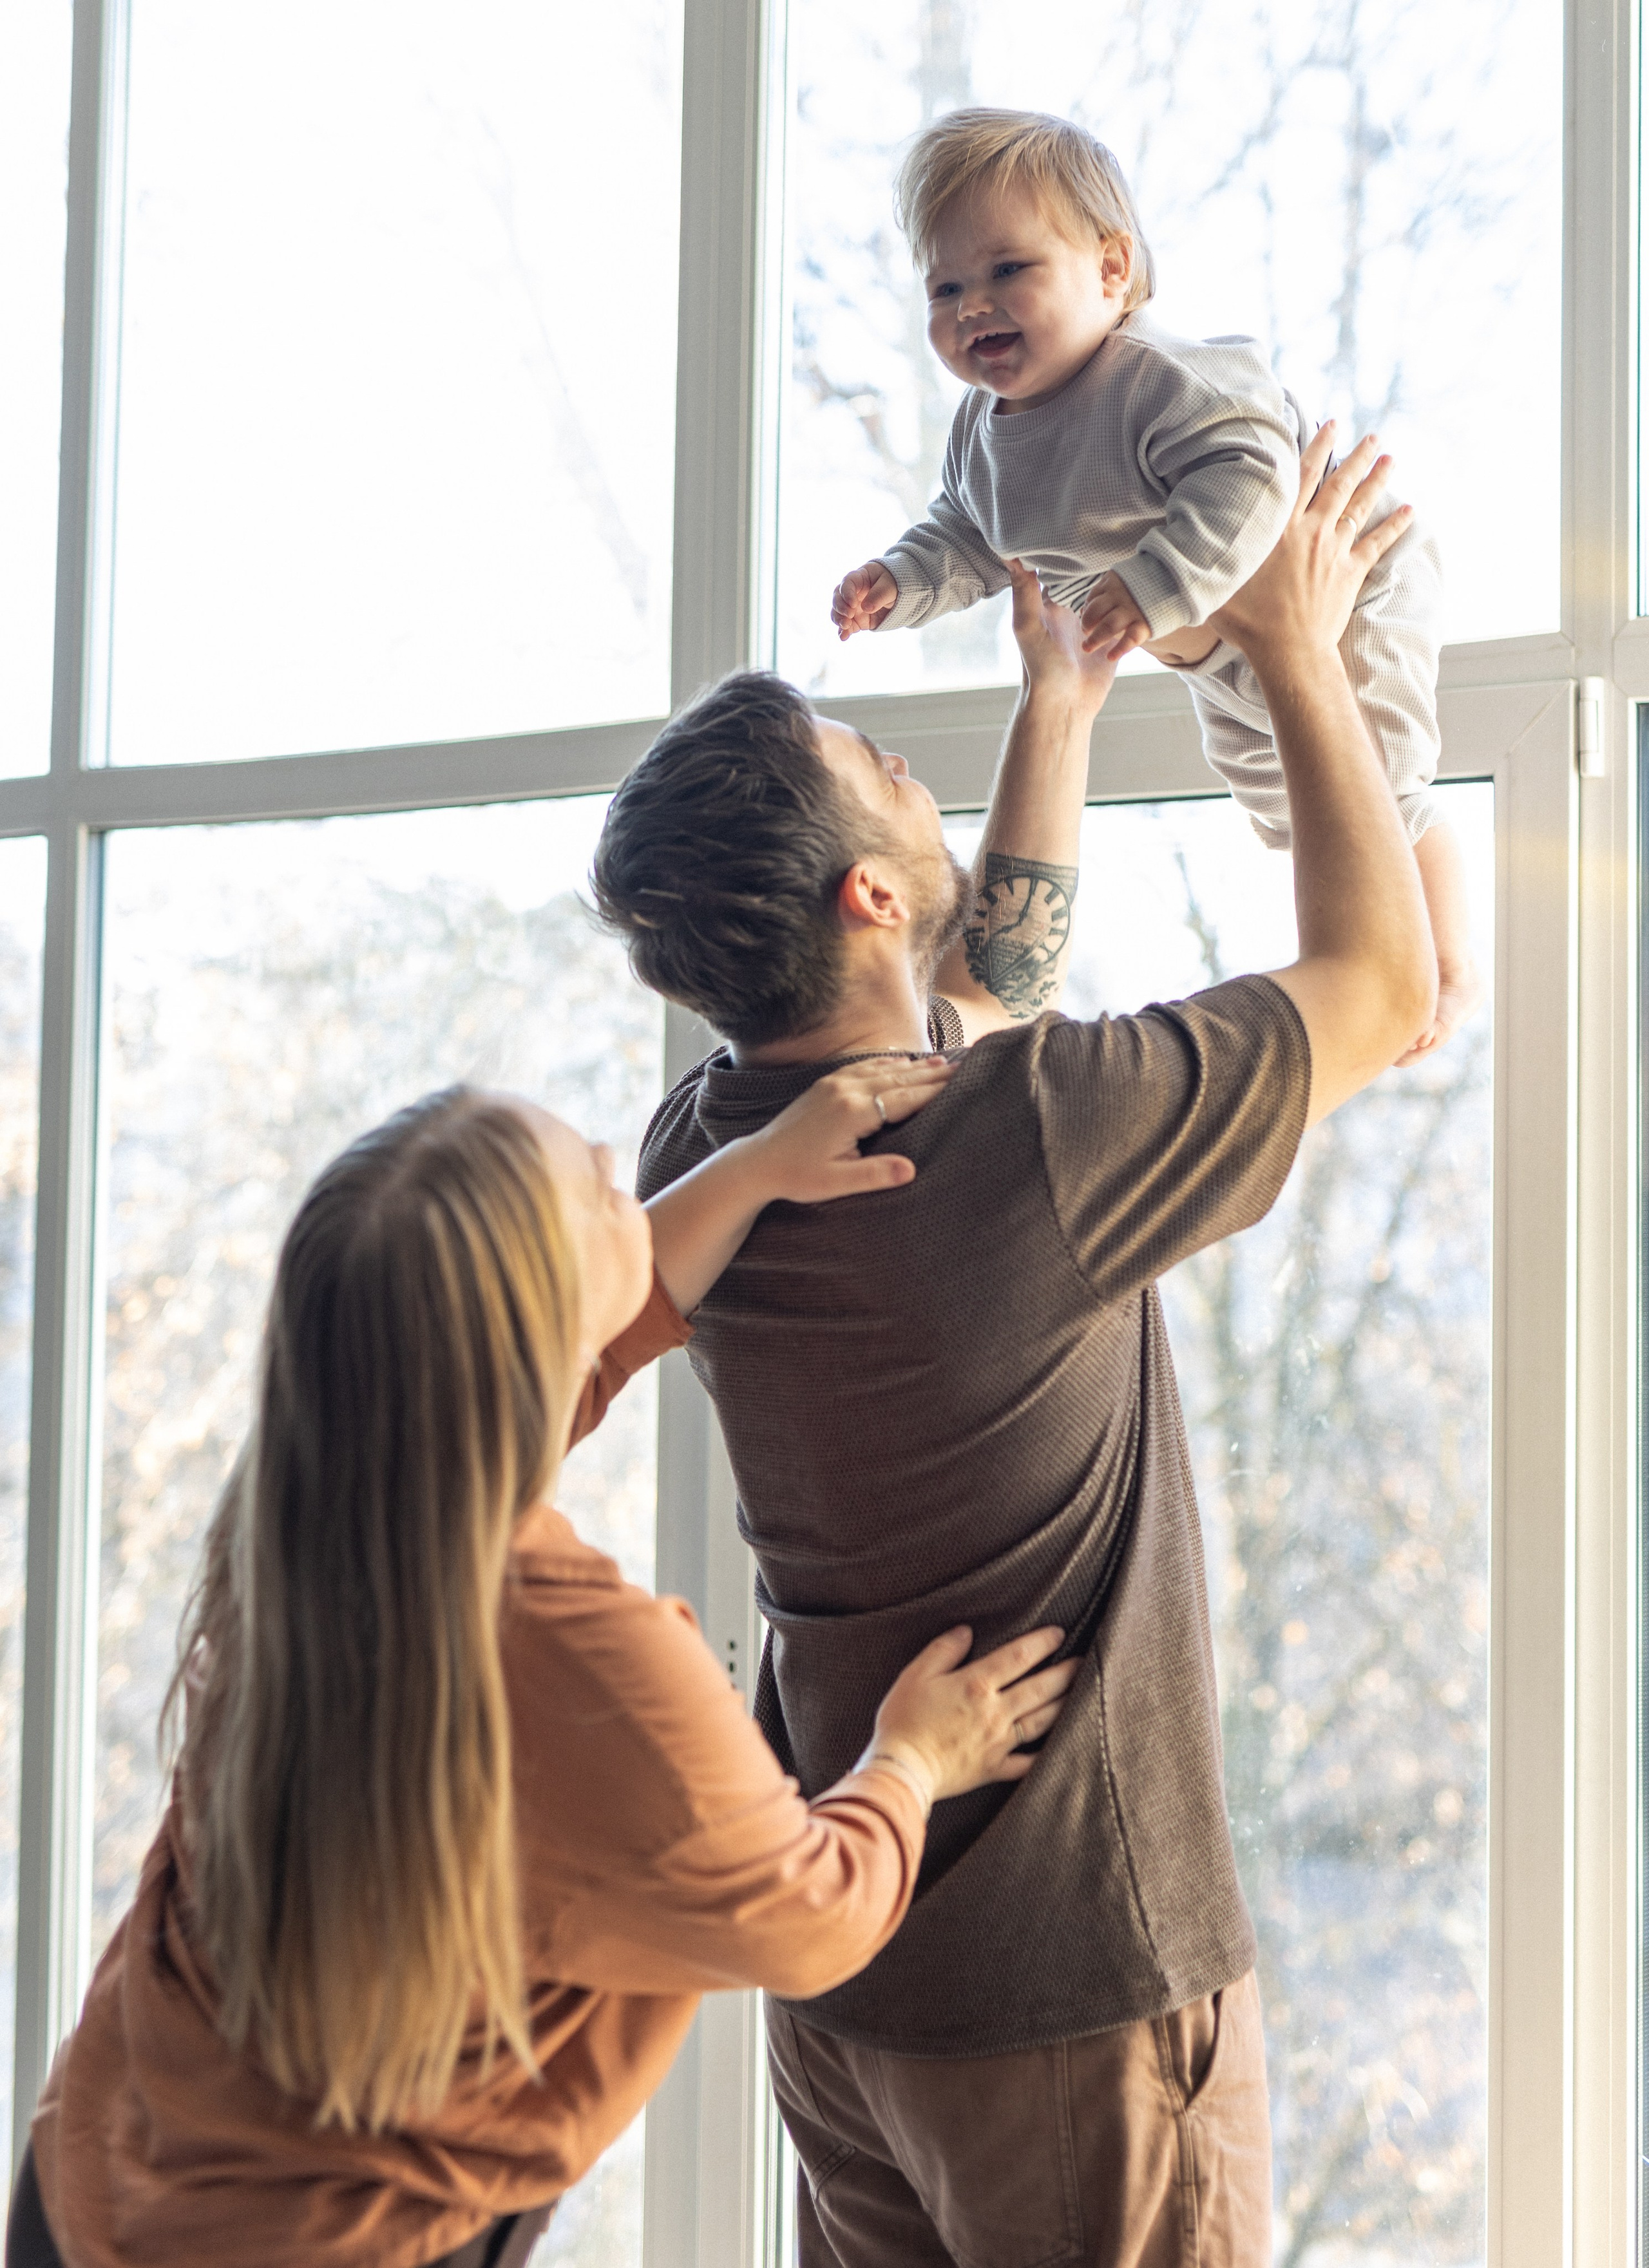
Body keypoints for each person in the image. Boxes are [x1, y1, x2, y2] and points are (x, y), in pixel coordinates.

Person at [591, 428, 1436, 2266]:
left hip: (852, 1990)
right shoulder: (1036, 1139)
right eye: (886, 771)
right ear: (868, 899)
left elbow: (974, 1008)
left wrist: (1060, 706)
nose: (913, 774)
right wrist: (1299, 646)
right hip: (1070, 2001)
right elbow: (1393, 991)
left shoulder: (715, 1159)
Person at [12, 1068, 1082, 2268]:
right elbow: (807, 1916)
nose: (611, 1159)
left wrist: (760, 1163)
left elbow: (551, 1372)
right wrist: (911, 1759)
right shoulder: (584, 1662)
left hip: (92, 2182)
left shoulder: (312, 1514)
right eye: (590, 1183)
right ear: (531, 1325)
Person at [829, 106, 1474, 1058]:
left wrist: (1159, 583)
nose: (973, 306)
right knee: (1284, 809)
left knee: (1379, 781)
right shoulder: (981, 433)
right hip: (1217, 643)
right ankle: (1387, 946)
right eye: (946, 286)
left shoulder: (1154, 380)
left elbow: (1254, 469)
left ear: (1112, 270)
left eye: (1009, 270)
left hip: (1351, 584)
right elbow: (969, 535)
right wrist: (900, 580)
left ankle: (1449, 962)